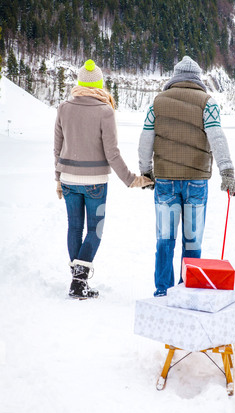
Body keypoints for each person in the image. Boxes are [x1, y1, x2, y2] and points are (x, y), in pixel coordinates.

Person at [138, 56, 235, 297]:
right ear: (197, 78)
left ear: (175, 77)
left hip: (165, 182)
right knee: (192, 242)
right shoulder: (208, 103)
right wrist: (227, 170)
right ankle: (188, 290)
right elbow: (217, 136)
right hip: (196, 181)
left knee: (165, 239)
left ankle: (163, 290)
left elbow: (145, 140)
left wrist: (146, 170)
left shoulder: (157, 103)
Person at [54, 59, 153, 299]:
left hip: (68, 179)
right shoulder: (105, 110)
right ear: (100, 84)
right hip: (95, 181)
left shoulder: (64, 108)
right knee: (94, 231)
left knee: (75, 227)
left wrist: (58, 177)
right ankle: (79, 282)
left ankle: (77, 281)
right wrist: (132, 179)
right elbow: (112, 153)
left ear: (79, 83)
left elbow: (58, 147)